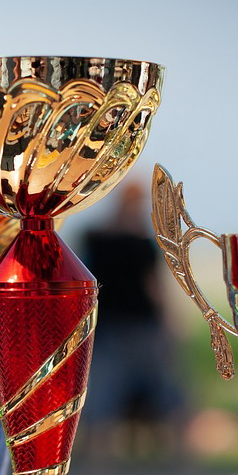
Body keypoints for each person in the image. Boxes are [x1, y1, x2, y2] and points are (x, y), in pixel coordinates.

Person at [80, 177, 190, 459]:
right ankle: (102, 454)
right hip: (122, 327)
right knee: (115, 389)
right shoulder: (127, 242)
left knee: (124, 390)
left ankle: (103, 455)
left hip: (125, 326)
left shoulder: (101, 239)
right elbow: (154, 286)